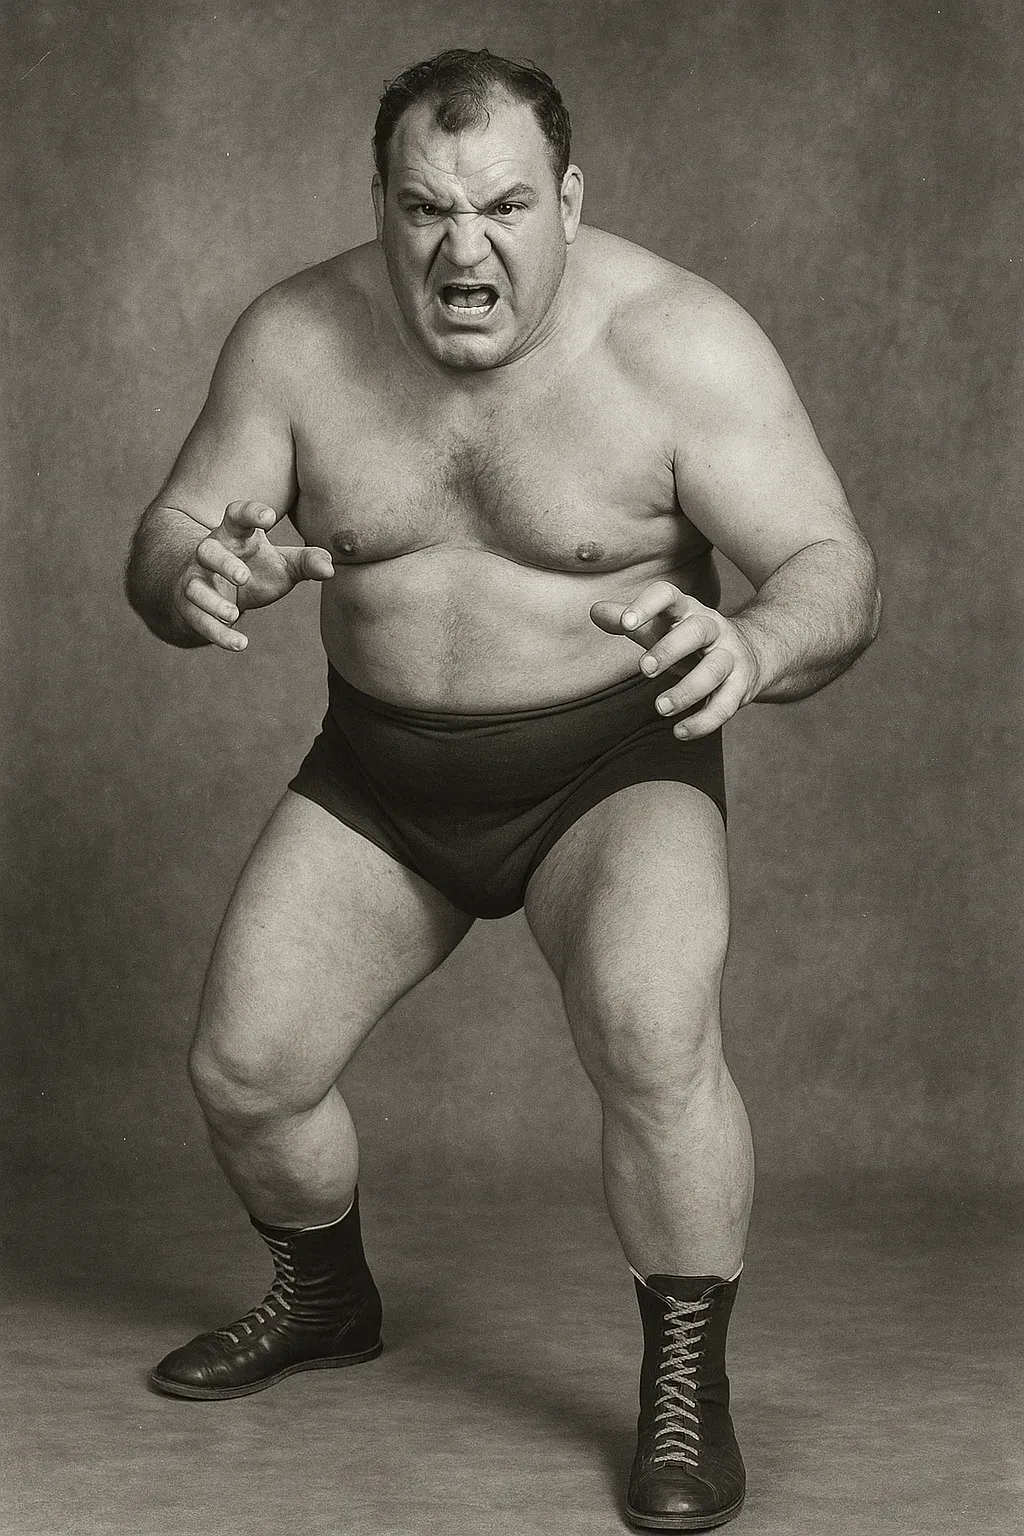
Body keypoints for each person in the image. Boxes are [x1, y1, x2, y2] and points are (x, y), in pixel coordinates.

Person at [125, 47, 880, 1531]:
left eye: (503, 207)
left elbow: (834, 569)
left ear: (568, 202)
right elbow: (164, 538)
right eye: (424, 209)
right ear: (383, 206)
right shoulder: (294, 336)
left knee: (656, 1034)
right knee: (246, 1072)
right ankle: (327, 1301)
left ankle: (683, 1386)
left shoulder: (681, 342)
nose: (462, 248)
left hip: (613, 768)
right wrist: (195, 575)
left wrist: (756, 636)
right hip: (383, 775)